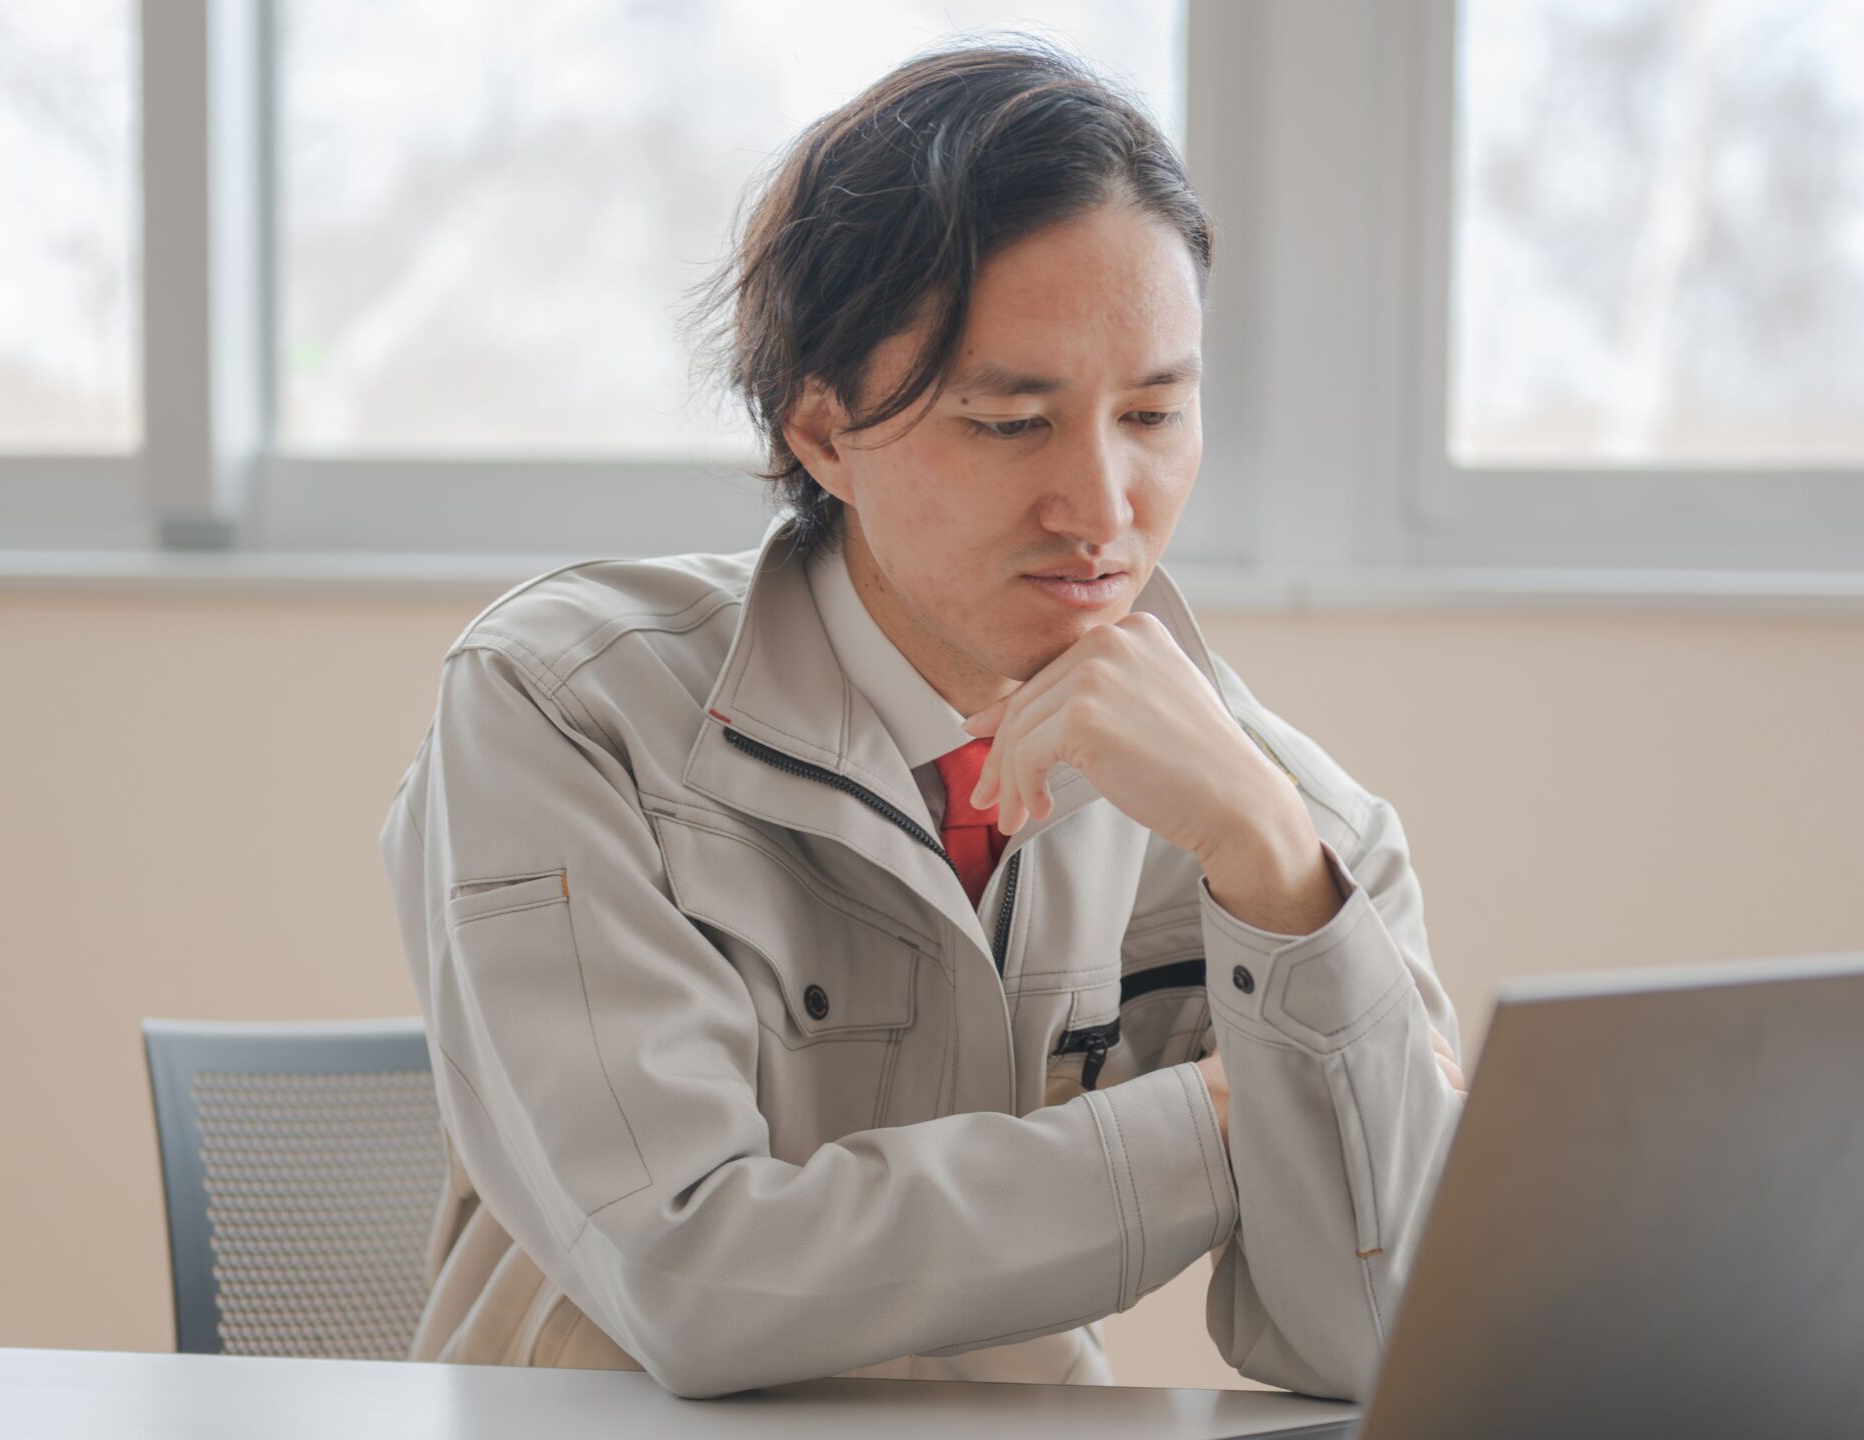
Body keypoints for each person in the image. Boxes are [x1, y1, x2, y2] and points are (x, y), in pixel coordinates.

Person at [377, 38, 1465, 1402]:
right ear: (821, 431)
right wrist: (1219, 1126)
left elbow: (1385, 1342)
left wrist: (1276, 872)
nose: (1102, 508)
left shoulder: (1287, 822)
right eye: (1012, 424)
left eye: (1154, 413)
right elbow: (694, 1279)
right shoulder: (563, 708)